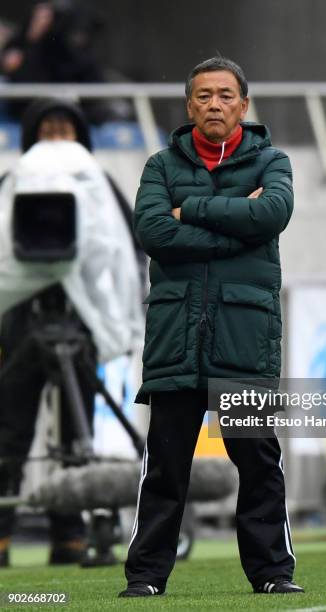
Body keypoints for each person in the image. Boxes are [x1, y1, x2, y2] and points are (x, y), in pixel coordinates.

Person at [118, 57, 303, 597]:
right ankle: (146, 577)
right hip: (177, 339)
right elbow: (153, 231)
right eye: (203, 95)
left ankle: (272, 573)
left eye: (225, 95)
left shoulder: (274, 160)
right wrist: (232, 225)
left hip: (245, 340)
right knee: (165, 469)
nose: (214, 104)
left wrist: (190, 210)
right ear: (188, 105)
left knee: (260, 463)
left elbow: (270, 215)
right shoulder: (159, 165)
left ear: (243, 106)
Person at [0, 98, 140, 567]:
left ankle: (72, 535)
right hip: (22, 321)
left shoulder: (98, 186)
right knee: (9, 429)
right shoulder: (12, 183)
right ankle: (2, 533)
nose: (57, 137)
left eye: (66, 129)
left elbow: (126, 243)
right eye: (48, 129)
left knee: (76, 434)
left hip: (78, 322)